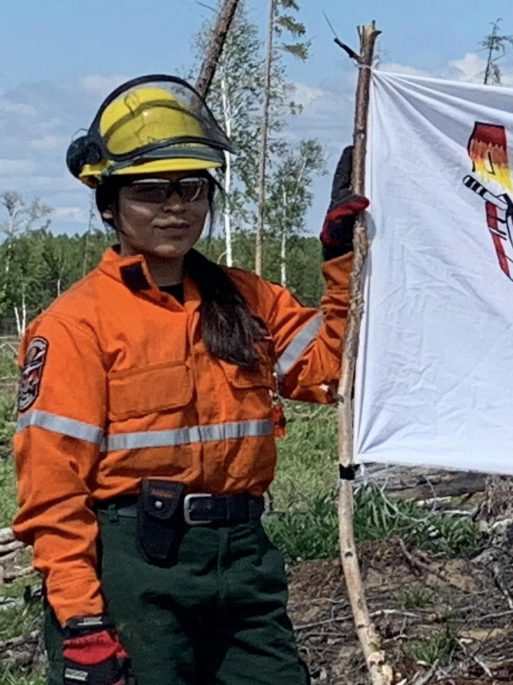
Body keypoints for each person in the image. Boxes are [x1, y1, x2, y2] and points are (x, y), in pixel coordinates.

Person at [11, 74, 368, 684]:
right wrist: (81, 621)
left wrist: (342, 256)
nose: (176, 207)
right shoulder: (76, 324)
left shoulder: (249, 300)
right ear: (110, 204)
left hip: (243, 559)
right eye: (152, 191)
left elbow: (333, 374)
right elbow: (52, 487)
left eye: (191, 189)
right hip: (133, 567)